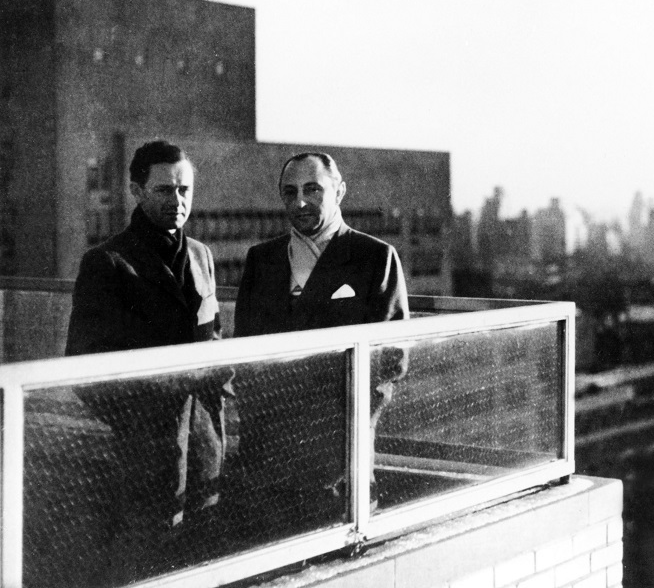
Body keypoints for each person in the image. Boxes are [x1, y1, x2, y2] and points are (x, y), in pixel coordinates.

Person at [65, 140, 232, 576]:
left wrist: (218, 403)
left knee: (203, 563)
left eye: (184, 190)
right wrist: (141, 422)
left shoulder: (201, 255)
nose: (177, 201)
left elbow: (214, 340)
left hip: (205, 452)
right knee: (148, 567)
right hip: (146, 461)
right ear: (137, 191)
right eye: (163, 190)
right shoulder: (107, 263)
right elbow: (83, 368)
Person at [234, 152, 408, 525]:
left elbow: (390, 362)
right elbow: (245, 355)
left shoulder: (374, 257)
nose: (299, 202)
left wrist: (342, 437)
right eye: (289, 191)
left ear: (340, 191)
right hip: (267, 460)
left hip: (339, 458)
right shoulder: (261, 260)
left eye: (312, 189)